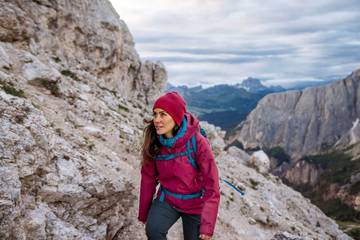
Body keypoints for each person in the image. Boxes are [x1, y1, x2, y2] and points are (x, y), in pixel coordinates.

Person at [138, 91, 220, 240]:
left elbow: (212, 186)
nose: (156, 120)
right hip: (168, 199)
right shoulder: (154, 141)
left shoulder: (198, 143)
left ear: (175, 117)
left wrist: (207, 227)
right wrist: (144, 213)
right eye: (155, 114)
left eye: (163, 114)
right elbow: (148, 179)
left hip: (196, 204)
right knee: (154, 231)